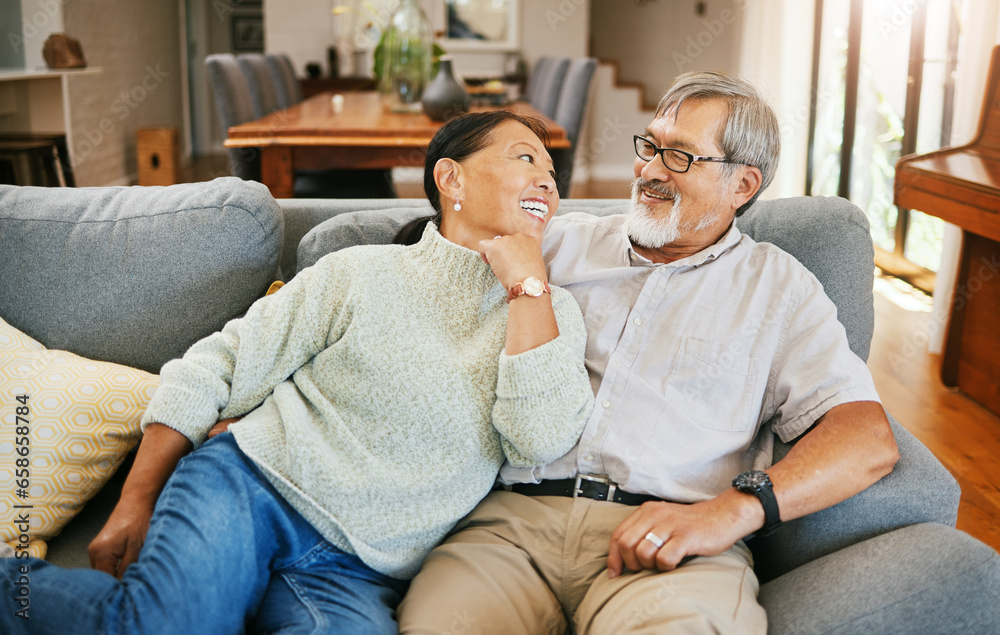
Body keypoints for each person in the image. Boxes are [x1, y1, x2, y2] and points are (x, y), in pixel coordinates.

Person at [0, 111, 594, 634]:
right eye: (524, 158)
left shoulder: (549, 311)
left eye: (551, 168)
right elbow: (218, 367)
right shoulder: (361, 273)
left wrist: (526, 288)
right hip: (248, 489)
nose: (547, 177)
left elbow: (537, 439)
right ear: (451, 178)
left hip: (357, 569)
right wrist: (137, 500)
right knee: (165, 625)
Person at [397, 72, 900, 634]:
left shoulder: (780, 290)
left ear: (743, 184)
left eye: (682, 156)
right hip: (506, 531)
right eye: (651, 145)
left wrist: (731, 512)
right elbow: (420, 273)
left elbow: (866, 438)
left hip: (674, 545)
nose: (651, 170)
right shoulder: (553, 244)